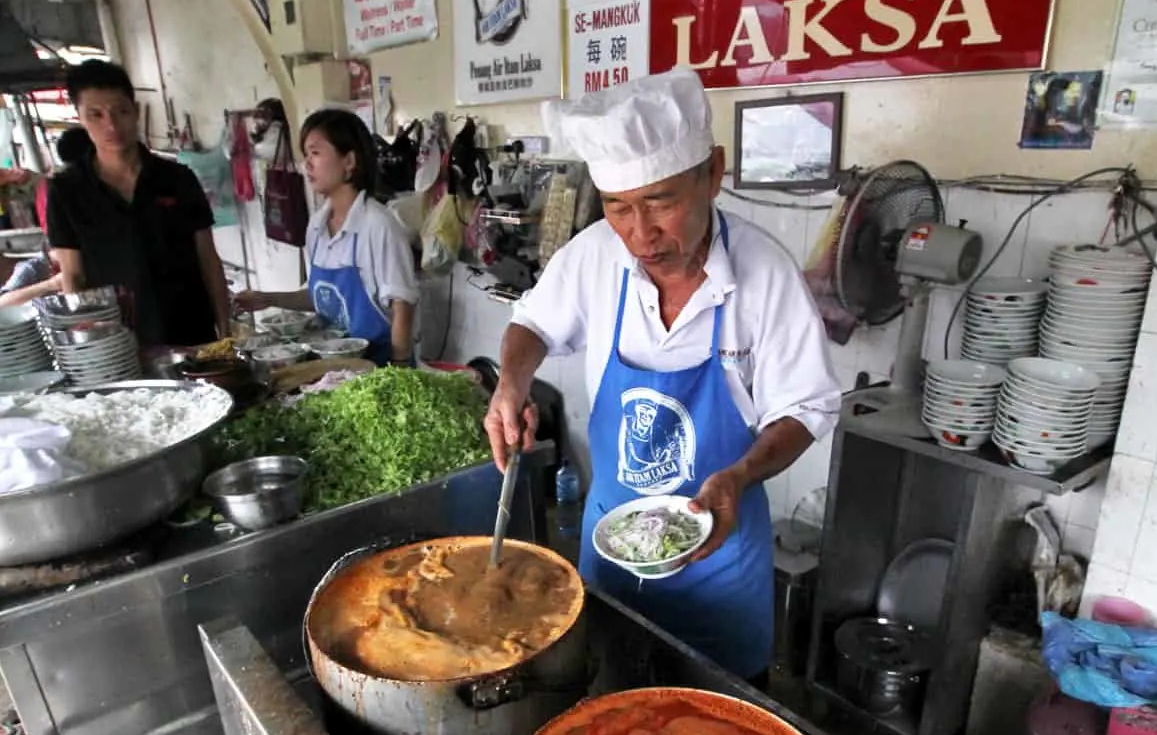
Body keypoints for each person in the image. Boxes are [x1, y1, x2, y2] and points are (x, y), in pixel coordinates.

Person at [483, 69, 840, 684]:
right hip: (612, 549)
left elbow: (805, 408)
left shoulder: (766, 275)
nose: (640, 235)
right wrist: (510, 384)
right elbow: (532, 324)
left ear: (712, 174)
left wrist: (743, 474)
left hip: (720, 560)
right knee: (606, 713)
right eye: (619, 207)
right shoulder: (596, 254)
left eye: (660, 203)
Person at [47, 60, 230, 346]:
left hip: (192, 333)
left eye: (120, 111)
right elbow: (73, 275)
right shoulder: (66, 190)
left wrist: (225, 331)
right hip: (117, 342)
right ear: (80, 118)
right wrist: (85, 344)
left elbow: (208, 258)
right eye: (96, 114)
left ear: (136, 110)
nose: (111, 125)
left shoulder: (177, 178)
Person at [235, 108, 417, 366]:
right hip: (333, 369)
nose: (306, 163)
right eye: (306, 154)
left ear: (349, 161)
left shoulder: (378, 225)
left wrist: (399, 371)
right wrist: (268, 299)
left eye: (316, 153)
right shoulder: (317, 226)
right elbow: (320, 298)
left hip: (378, 367)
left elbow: (403, 306)